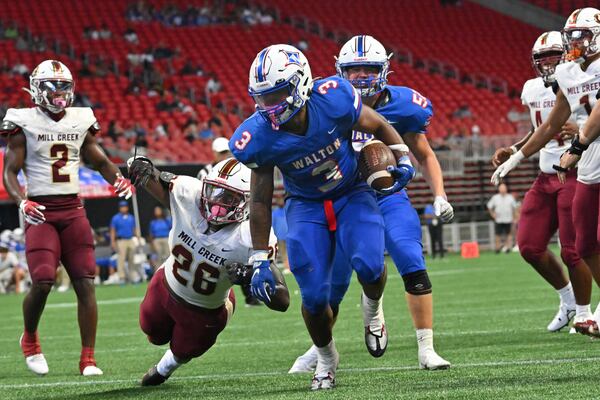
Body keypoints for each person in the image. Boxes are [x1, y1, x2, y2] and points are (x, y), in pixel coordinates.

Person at [229, 44, 414, 390]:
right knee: (314, 298)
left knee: (370, 265)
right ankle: (327, 358)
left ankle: (372, 309)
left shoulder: (333, 99)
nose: (269, 106)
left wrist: (401, 156)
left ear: (300, 84)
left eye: (277, 95)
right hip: (306, 205)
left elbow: (377, 123)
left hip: (351, 192)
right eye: (262, 98)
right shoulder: (255, 136)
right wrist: (258, 257)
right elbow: (259, 199)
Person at [289, 35, 452, 374]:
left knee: (410, 257)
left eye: (369, 69)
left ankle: (426, 347)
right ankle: (320, 349)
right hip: (343, 197)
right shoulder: (327, 100)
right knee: (331, 285)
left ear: (384, 70)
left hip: (388, 193)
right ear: (339, 71)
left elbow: (423, 152)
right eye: (354, 70)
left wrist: (439, 194)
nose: (361, 76)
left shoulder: (403, 105)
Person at [1, 59, 133, 376]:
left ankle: (88, 358)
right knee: (43, 280)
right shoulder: (23, 121)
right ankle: (30, 338)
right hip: (40, 212)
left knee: (85, 283)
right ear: (36, 89)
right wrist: (20, 201)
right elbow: (10, 171)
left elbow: (99, 159)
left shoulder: (80, 119)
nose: (59, 93)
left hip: (73, 210)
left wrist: (117, 178)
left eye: (64, 86)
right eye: (53, 86)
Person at [128, 156, 289, 386]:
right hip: (168, 284)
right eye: (213, 191)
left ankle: (164, 368)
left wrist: (249, 276)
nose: (216, 203)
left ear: (247, 202)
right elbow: (145, 172)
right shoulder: (188, 193)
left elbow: (282, 301)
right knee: (152, 330)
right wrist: (140, 165)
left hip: (204, 309)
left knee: (185, 350)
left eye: (228, 197)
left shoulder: (251, 235)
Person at [491, 8, 600, 335]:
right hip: (588, 158)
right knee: (584, 243)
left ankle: (584, 310)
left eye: (582, 34)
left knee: (579, 242)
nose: (575, 43)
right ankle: (576, 306)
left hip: (581, 154)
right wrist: (516, 155)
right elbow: (552, 121)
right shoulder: (568, 72)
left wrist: (576, 146)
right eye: (572, 37)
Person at [197, 136, 259, 305]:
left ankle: (250, 294)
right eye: (222, 153)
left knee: (241, 256)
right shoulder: (206, 172)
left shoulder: (240, 169)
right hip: (212, 221)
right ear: (215, 154)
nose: (225, 155)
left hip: (234, 219)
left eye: (227, 152)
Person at [109, 200, 138, 283]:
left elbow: (134, 229)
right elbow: (113, 230)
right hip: (121, 240)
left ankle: (132, 277)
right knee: (121, 259)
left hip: (130, 239)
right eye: (122, 207)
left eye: (124, 207)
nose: (123, 208)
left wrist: (137, 237)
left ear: (127, 208)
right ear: (119, 208)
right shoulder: (116, 218)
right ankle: (122, 277)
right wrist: (113, 241)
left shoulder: (131, 217)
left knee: (131, 259)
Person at [487, 183, 517, 253]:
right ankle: (497, 248)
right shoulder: (495, 197)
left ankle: (507, 248)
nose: (503, 190)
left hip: (508, 219)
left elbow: (515, 208)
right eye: (501, 188)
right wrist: (492, 214)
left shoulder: (510, 197)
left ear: (506, 189)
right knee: (498, 234)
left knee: (509, 234)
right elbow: (489, 206)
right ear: (499, 189)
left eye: (504, 188)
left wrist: (514, 217)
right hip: (499, 219)